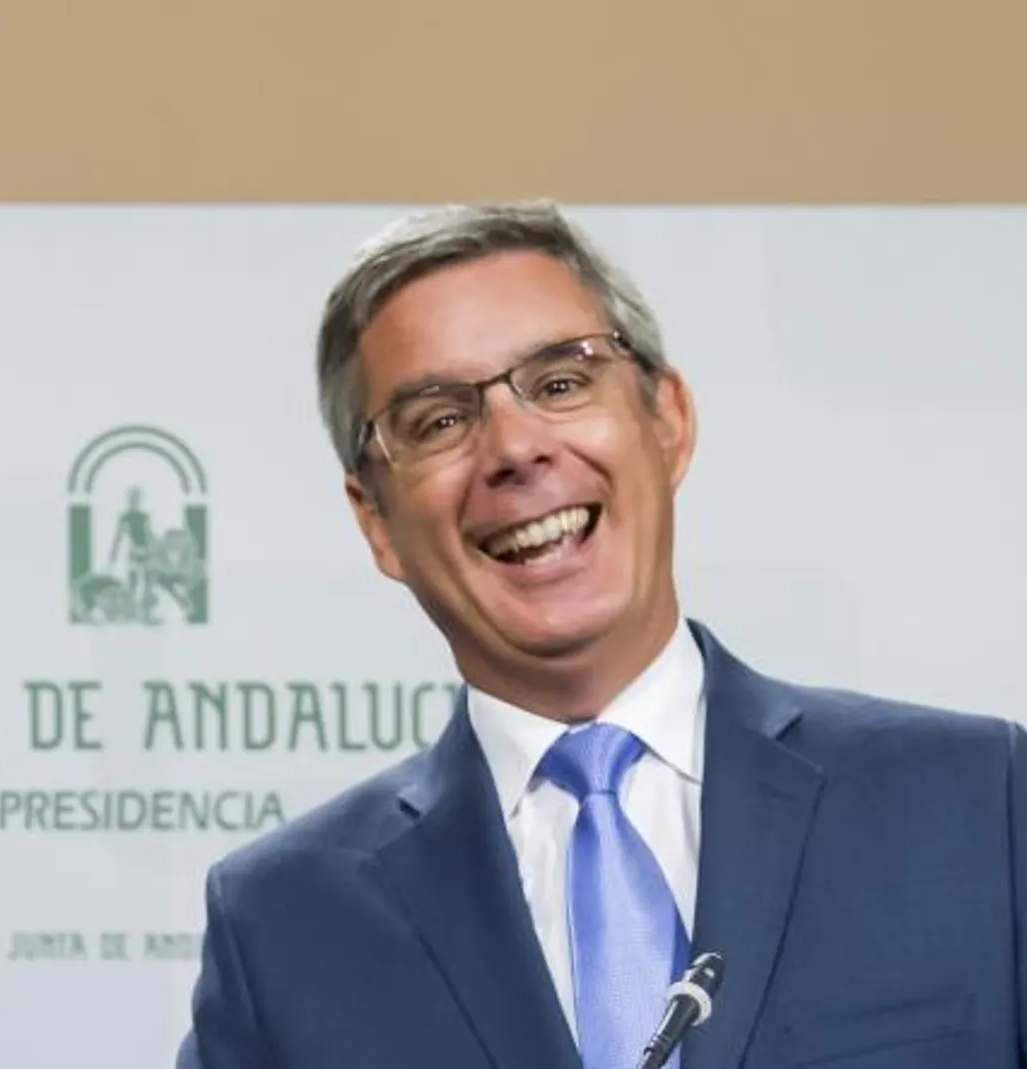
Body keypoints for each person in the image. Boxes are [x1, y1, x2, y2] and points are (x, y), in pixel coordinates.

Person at [176, 201, 1026, 1068]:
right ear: (378, 524)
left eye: (560, 382)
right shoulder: (282, 926)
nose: (514, 447)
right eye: (439, 421)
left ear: (668, 422)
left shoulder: (978, 803)